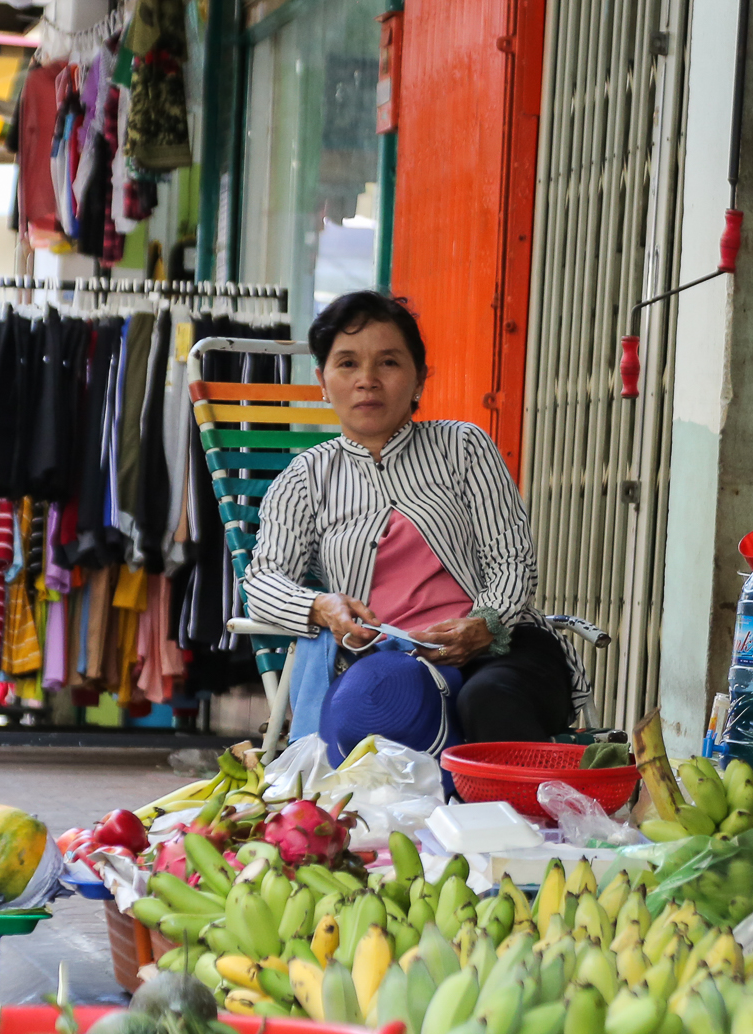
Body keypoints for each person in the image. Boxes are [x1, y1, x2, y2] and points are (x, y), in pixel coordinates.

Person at [242, 290, 584, 744]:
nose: (367, 380)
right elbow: (263, 581)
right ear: (322, 381)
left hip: (500, 650)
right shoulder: (304, 478)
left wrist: (484, 625)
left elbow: (512, 560)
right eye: (347, 364)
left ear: (419, 377)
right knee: (380, 707)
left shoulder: (463, 447)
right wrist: (321, 606)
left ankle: (516, 814)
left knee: (487, 700)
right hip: (387, 663)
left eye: (388, 362)